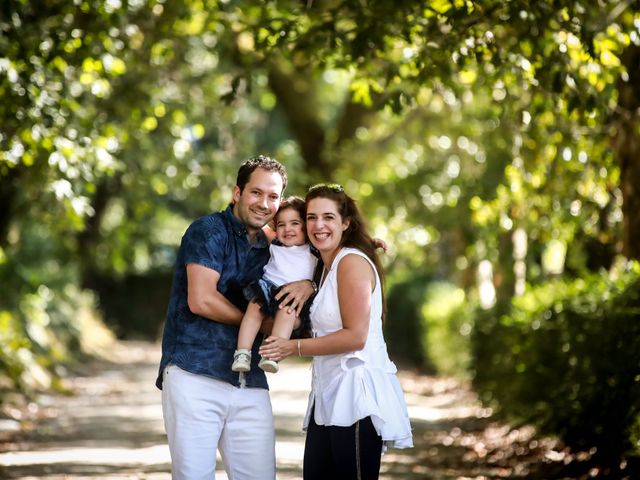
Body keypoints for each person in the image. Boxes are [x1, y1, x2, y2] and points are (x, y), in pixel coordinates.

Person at [155, 155, 315, 480]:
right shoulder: (208, 230)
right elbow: (201, 300)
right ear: (237, 193)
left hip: (250, 379)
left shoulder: (276, 244)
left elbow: (326, 251)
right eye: (256, 193)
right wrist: (256, 322)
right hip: (194, 372)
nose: (264, 203)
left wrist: (309, 284)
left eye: (273, 196)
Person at [260, 183, 413, 479]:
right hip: (327, 396)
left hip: (356, 397)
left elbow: (356, 337)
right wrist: (309, 285)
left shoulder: (351, 262)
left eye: (328, 217)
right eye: (312, 217)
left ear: (345, 223)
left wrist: (293, 347)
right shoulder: (322, 266)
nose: (318, 225)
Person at [232, 196, 318, 374]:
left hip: (292, 296)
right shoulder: (276, 243)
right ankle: (242, 353)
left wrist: (369, 244)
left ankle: (271, 354)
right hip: (267, 288)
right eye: (281, 225)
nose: (288, 229)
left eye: (295, 223)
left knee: (287, 313)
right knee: (254, 308)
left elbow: (341, 245)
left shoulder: (314, 249)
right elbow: (257, 221)